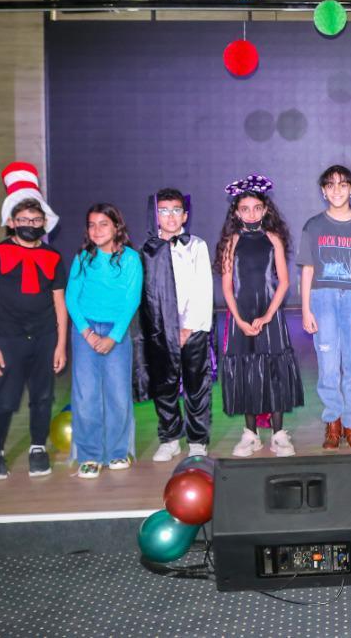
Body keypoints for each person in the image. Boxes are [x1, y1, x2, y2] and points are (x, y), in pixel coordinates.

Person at [0, 162, 67, 481]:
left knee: (43, 396)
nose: (30, 223)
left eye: (35, 219)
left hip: (44, 336)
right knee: (6, 396)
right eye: (23, 219)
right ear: (12, 223)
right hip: (9, 338)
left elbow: (59, 303)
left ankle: (38, 447)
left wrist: (60, 345)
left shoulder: (54, 258)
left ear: (44, 222)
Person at [215, 174, 303, 457]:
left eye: (256, 208)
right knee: (246, 370)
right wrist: (239, 320)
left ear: (265, 210)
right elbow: (227, 286)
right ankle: (250, 434)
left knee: (274, 370)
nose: (251, 213)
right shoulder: (231, 241)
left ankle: (278, 434)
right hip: (241, 315)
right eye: (245, 208)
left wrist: (267, 316)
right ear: (236, 212)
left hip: (270, 315)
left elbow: (284, 282)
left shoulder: (273, 238)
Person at [299, 165, 351, 451]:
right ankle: (333, 421)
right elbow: (307, 270)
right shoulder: (313, 225)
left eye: (343, 185)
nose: (337, 190)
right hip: (323, 298)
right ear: (323, 191)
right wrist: (306, 309)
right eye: (330, 185)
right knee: (328, 365)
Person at [66, 203, 144, 479]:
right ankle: (89, 455)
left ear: (116, 227)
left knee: (117, 393)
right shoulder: (83, 258)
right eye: (91, 224)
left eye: (103, 224)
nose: (96, 230)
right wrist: (87, 333)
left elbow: (131, 299)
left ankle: (117, 451)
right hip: (85, 330)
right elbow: (70, 298)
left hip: (116, 332)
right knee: (86, 393)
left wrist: (113, 336)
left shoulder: (131, 259)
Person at [142, 188, 215, 463]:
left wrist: (189, 327)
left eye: (175, 210)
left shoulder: (196, 245)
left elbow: (203, 288)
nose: (170, 216)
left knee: (196, 385)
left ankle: (197, 439)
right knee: (164, 385)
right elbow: (147, 293)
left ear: (185, 214)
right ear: (155, 215)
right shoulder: (147, 249)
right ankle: (170, 438)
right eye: (163, 210)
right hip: (161, 331)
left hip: (192, 330)